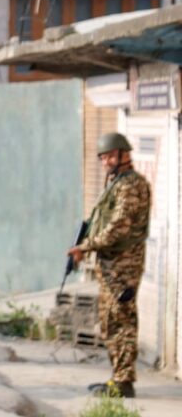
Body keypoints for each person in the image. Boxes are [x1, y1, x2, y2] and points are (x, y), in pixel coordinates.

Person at [68, 133, 151, 398]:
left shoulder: (130, 186)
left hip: (123, 267)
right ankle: (118, 377)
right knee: (110, 322)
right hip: (111, 265)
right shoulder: (117, 183)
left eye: (107, 157)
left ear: (120, 155)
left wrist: (86, 246)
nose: (104, 163)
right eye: (102, 158)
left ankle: (124, 381)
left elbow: (118, 227)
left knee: (121, 321)